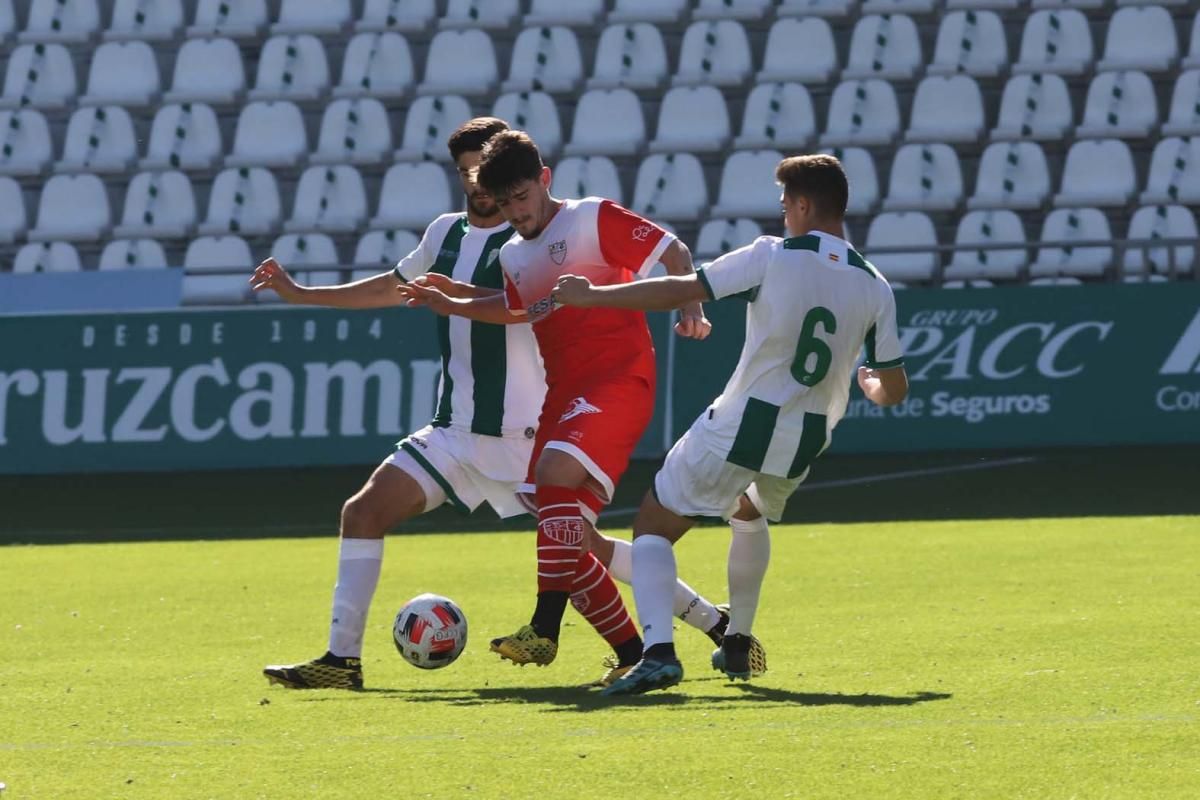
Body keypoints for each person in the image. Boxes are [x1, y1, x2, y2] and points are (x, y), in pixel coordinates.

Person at [255, 119, 739, 690]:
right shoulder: (451, 237)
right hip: (456, 428)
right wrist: (306, 292)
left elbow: (537, 301)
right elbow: (412, 290)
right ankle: (342, 662)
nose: (478, 186)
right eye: (465, 173)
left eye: (483, 173)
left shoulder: (551, 230)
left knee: (581, 550)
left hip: (528, 425)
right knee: (363, 511)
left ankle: (678, 632)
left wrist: (687, 304)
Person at [401, 131, 766, 674]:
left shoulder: (592, 218)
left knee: (553, 477)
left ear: (544, 180)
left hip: (618, 381)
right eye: (504, 204)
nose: (516, 212)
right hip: (564, 396)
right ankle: (705, 628)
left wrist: (690, 307)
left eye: (522, 197)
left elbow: (674, 251)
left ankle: (545, 629)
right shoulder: (512, 253)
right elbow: (522, 310)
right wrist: (451, 298)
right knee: (574, 541)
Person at [549, 154, 910, 695]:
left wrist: (592, 295)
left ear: (805, 205)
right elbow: (894, 388)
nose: (784, 214)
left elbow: (680, 290)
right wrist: (870, 386)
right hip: (805, 437)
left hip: (745, 420)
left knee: (652, 527)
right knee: (748, 511)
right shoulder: (875, 285)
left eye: (787, 204)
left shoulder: (773, 255)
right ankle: (736, 639)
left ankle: (657, 653)